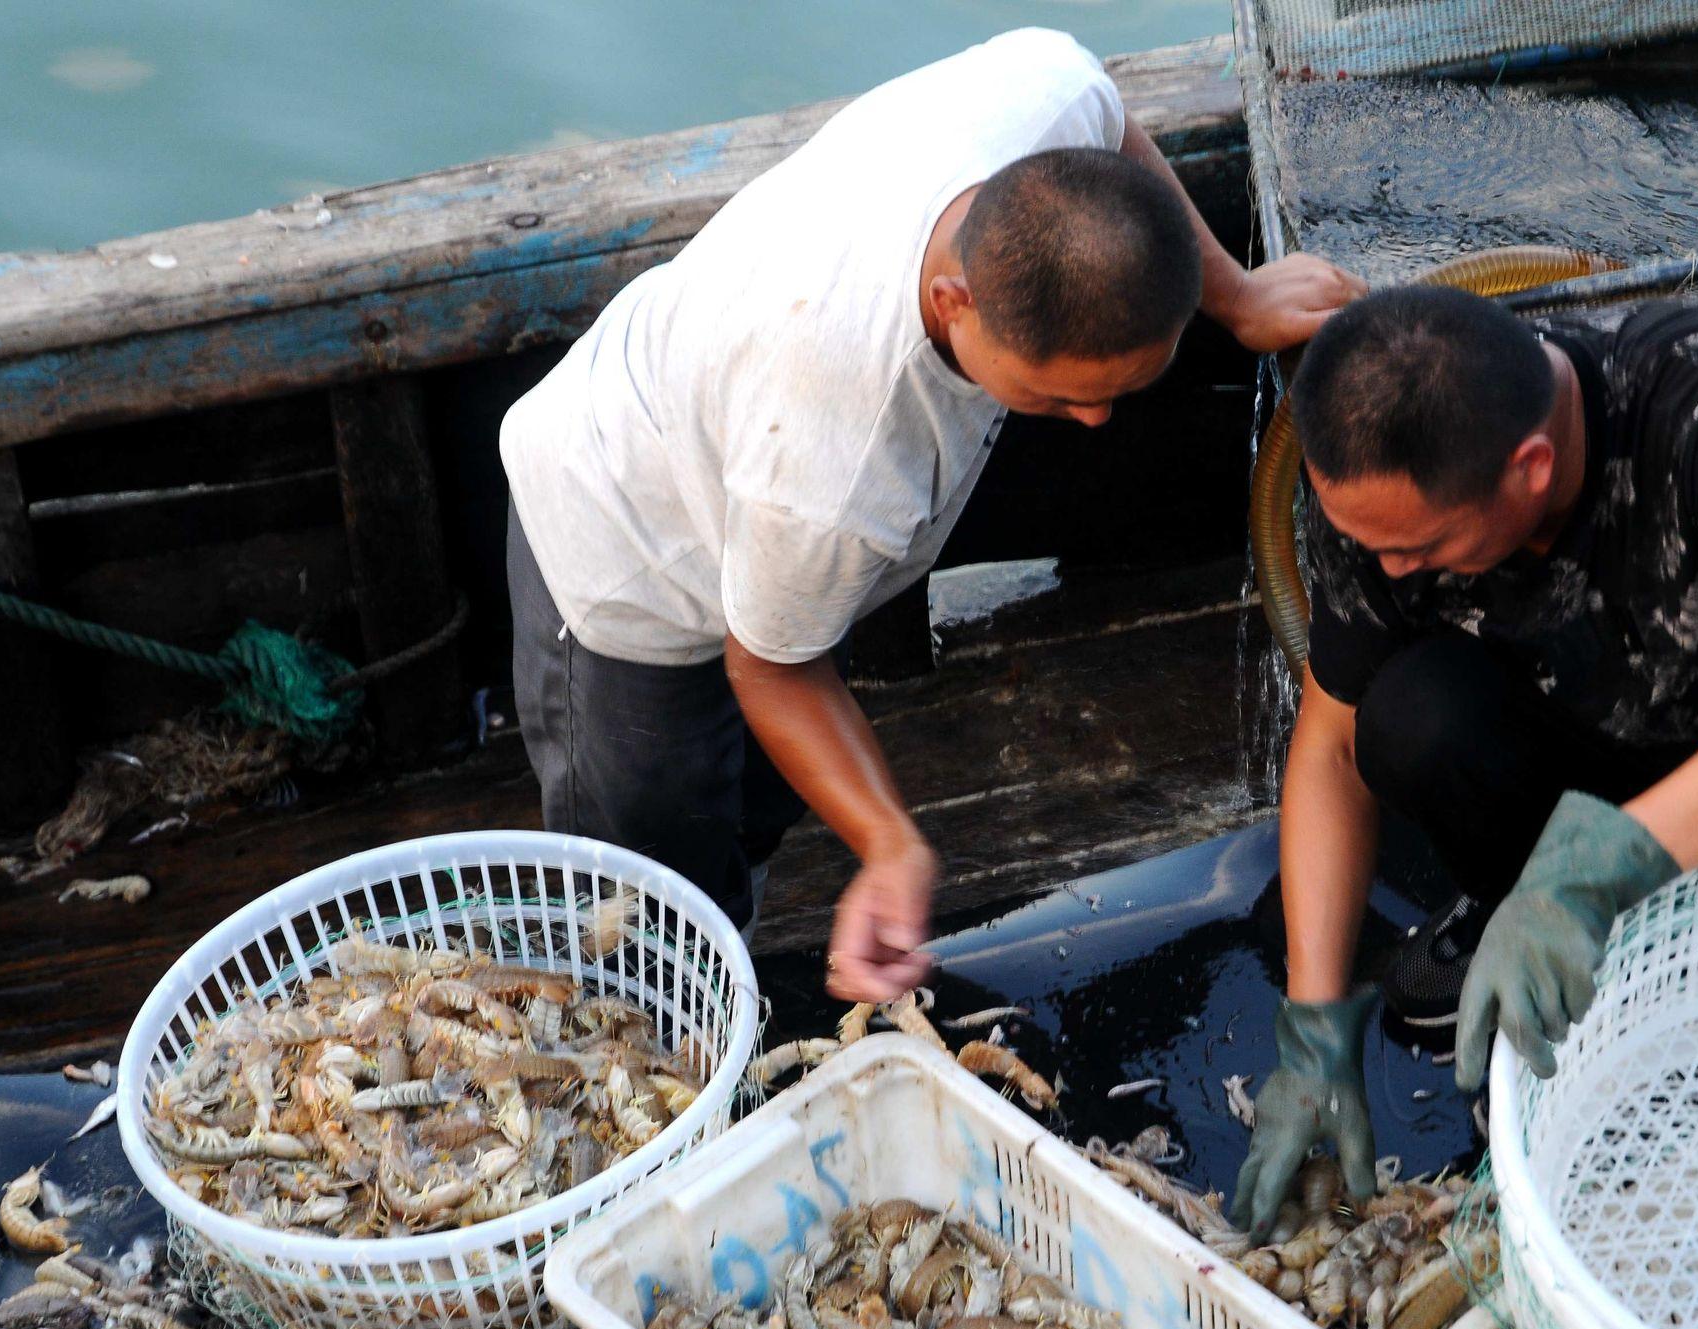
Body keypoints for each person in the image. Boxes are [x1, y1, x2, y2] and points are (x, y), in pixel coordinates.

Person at [501, 29, 1363, 1002]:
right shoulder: (838, 459)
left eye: (1122, 389)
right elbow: (773, 667)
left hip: (722, 429)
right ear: (954, 301)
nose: (1093, 421)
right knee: (655, 894)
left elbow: (1113, 125)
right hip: (624, 550)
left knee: (759, 798)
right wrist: (890, 846)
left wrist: (1237, 296)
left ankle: (746, 888)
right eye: (1055, 397)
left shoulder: (1041, 100)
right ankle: (665, 1036)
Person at [1228, 287, 1698, 1234]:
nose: (1389, 571)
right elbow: (1333, 746)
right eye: (1371, 545)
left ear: (1531, 467)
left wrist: (1597, 866)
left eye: (1419, 546)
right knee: (1410, 716)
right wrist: (1314, 1021)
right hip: (1602, 726)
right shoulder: (1386, 483)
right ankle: (1541, 929)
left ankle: (1642, 939)